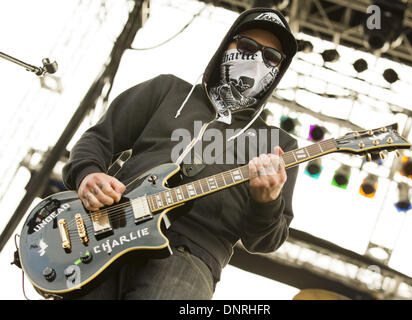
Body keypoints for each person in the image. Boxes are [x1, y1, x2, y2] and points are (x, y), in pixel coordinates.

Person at [62, 7, 299, 300]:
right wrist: (89, 174)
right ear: (228, 44)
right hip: (109, 227)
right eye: (248, 47)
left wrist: (267, 202)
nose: (257, 61)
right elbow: (99, 138)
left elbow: (266, 240)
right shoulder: (167, 90)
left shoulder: (278, 144)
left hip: (190, 256)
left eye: (271, 58)